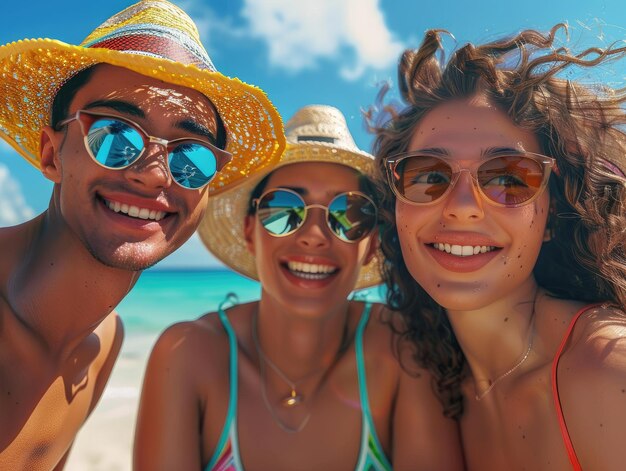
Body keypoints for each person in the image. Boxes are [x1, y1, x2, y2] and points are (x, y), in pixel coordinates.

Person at [0, 1, 285, 469]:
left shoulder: (102, 344)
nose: (154, 176)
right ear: (51, 154)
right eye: (115, 134)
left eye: (190, 157)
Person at [134, 105, 464, 471]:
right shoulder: (188, 354)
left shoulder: (404, 348)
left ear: (370, 243)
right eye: (283, 209)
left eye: (348, 214)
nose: (313, 236)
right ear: (249, 231)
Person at [370, 24, 626, 470]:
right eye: (428, 175)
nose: (463, 208)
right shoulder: (438, 384)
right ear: (396, 208)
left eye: (509, 177)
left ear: (551, 215)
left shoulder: (606, 371)